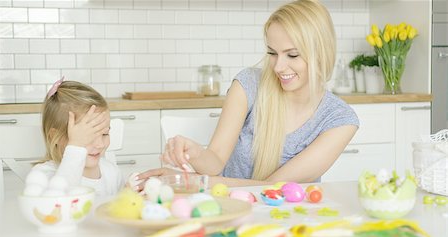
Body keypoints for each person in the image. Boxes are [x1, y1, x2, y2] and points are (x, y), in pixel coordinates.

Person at [138, 0, 359, 187]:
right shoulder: (248, 85)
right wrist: (194, 153)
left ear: (321, 54)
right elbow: (215, 161)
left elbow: (273, 188)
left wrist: (192, 181)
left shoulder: (339, 120)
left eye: (292, 55)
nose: (278, 67)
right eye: (272, 53)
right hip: (230, 208)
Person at [30, 78, 125, 195]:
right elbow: (58, 203)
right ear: (56, 137)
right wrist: (76, 149)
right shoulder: (42, 175)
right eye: (88, 136)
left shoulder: (112, 173)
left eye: (105, 133)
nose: (100, 144)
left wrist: (130, 195)